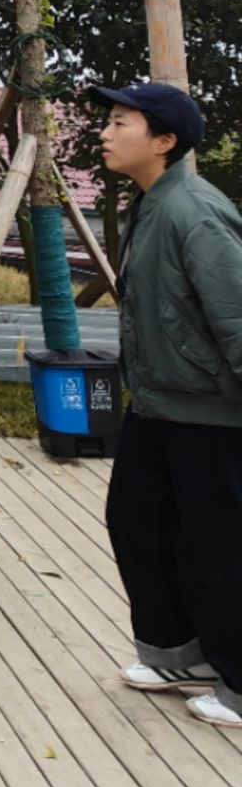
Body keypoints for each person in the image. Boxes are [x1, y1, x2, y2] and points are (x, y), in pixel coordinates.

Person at [91, 81, 242, 731]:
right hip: (158, 403)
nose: (105, 132)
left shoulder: (195, 212)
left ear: (164, 140)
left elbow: (236, 314)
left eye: (120, 122)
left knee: (217, 546)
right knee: (137, 522)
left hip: (210, 412)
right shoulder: (152, 203)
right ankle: (179, 653)